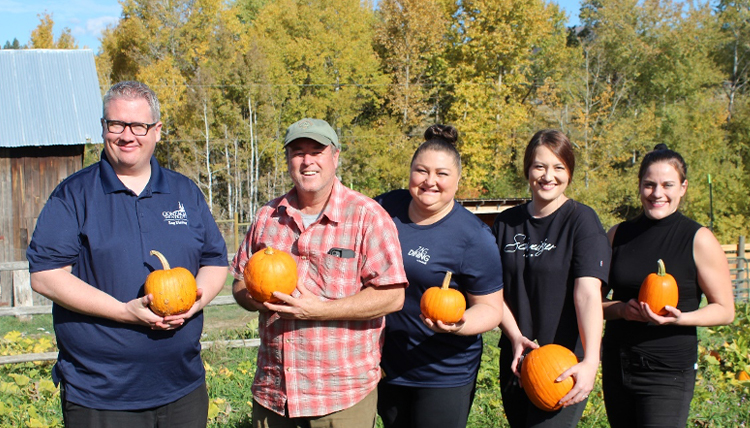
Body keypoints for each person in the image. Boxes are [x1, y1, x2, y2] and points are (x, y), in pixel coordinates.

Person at [26, 80, 229, 427]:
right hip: (102, 395)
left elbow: (214, 260)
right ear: (104, 127)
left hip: (184, 388)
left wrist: (197, 300)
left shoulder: (185, 192)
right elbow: (45, 276)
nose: (126, 135)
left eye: (138, 126)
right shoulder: (74, 195)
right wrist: (123, 312)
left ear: (157, 131)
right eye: (116, 124)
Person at [230, 118, 409, 428]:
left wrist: (321, 310)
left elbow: (393, 296)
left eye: (317, 150)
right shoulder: (267, 218)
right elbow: (238, 283)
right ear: (288, 159)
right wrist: (256, 298)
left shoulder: (367, 217)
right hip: (274, 395)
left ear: (335, 156)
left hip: (340, 398)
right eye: (298, 152)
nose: (307, 160)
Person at [375, 125, 504, 428]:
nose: (430, 181)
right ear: (410, 173)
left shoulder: (473, 237)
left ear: (458, 181)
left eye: (442, 174)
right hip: (387, 365)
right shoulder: (384, 208)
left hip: (443, 372)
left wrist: (458, 326)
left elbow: (491, 309)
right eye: (421, 171)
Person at [601, 144, 735, 428]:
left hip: (667, 372)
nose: (657, 193)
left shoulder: (698, 238)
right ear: (639, 186)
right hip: (618, 365)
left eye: (667, 184)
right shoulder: (618, 235)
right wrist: (622, 309)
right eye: (649, 185)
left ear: (683, 188)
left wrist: (681, 318)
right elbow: (593, 303)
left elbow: (725, 310)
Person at [491, 129, 610, 428]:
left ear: (569, 172)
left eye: (559, 167)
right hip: (516, 359)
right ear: (527, 170)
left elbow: (588, 294)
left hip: (562, 366)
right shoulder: (506, 223)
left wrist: (591, 361)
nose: (548, 176)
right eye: (540, 166)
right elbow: (493, 290)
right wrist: (515, 336)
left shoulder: (581, 221)